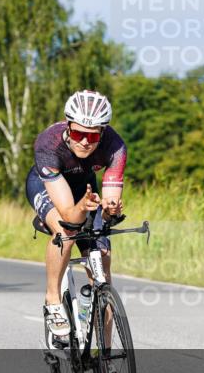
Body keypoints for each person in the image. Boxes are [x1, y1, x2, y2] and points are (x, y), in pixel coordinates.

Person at [24, 90, 127, 338]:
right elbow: (70, 214)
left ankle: (104, 353)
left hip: (84, 187)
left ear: (103, 132)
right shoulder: (48, 143)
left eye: (92, 136)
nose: (85, 142)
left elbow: (110, 200)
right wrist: (81, 208)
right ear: (68, 126)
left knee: (102, 259)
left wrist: (110, 209)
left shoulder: (116, 147)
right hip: (47, 185)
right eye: (79, 133)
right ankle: (53, 299)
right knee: (66, 231)